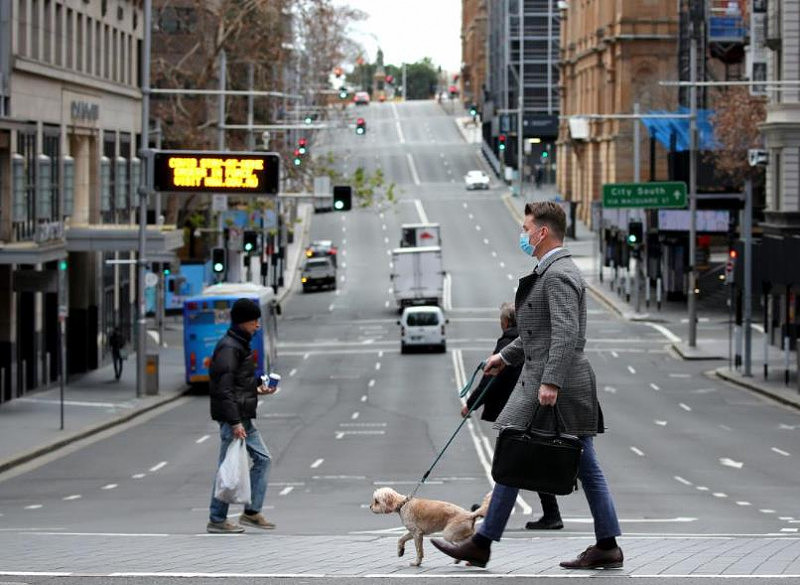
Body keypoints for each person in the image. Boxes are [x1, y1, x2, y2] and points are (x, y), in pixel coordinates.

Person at [433, 201, 623, 569]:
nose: (522, 234)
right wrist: (503, 358)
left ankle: (484, 543)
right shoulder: (550, 271)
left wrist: (551, 381)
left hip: (559, 385)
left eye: (526, 228)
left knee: (520, 455)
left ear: (542, 232)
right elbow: (540, 333)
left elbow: (566, 333)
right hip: (547, 379)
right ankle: (604, 544)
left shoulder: (559, 274)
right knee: (522, 457)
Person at [461, 302, 563, 531]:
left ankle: (496, 512)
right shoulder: (530, 338)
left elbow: (491, 379)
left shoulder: (508, 342)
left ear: (506, 322)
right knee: (525, 463)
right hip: (531, 407)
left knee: (507, 463)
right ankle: (548, 513)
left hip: (515, 409)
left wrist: (470, 404)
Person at [207, 298, 278, 534]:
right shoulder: (230, 347)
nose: (257, 325)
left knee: (263, 459)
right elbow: (223, 388)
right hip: (234, 418)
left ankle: (251, 511)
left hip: (242, 416)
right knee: (226, 467)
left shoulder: (239, 344)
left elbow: (239, 382)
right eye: (254, 321)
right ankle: (217, 519)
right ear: (243, 322)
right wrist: (235, 422)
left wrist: (259, 386)